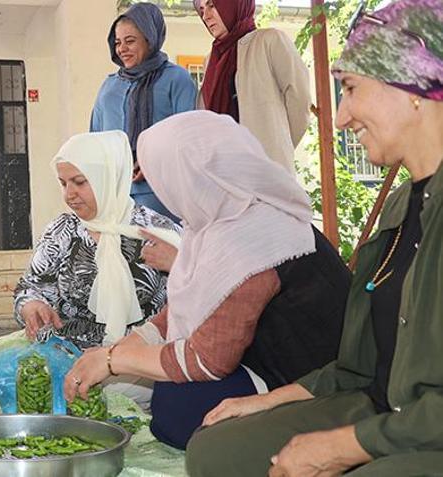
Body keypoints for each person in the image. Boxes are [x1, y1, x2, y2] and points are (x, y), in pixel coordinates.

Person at [185, 2, 443, 475]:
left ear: (413, 86)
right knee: (212, 451)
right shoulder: (400, 207)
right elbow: (357, 368)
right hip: (377, 404)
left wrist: (348, 447)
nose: (341, 117)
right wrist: (269, 401)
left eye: (351, 89)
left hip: (427, 430)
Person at [64, 111, 350, 450]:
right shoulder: (219, 221)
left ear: (186, 177)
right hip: (265, 364)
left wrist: (113, 361)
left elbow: (209, 359)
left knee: (179, 406)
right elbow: (189, 307)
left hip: (311, 385)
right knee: (162, 385)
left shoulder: (257, 238)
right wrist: (126, 346)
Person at [14, 130, 179, 408]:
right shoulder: (62, 231)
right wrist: (31, 306)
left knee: (118, 397)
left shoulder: (157, 233)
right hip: (66, 357)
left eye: (80, 182)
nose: (69, 194)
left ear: (109, 177)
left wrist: (117, 356)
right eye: (63, 183)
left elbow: (191, 302)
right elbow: (31, 287)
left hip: (135, 363)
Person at [90, 2, 197, 221]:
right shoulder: (109, 87)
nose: (122, 49)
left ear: (150, 39)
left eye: (130, 41)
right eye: (118, 42)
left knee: (160, 243)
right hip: (115, 194)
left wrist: (151, 161)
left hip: (161, 193)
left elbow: (189, 136)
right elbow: (95, 140)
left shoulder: (176, 79)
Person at [195, 0, 310, 174]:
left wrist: (275, 147)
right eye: (202, 10)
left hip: (266, 170)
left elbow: (300, 101)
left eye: (212, 5)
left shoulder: (269, 41)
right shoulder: (211, 60)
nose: (206, 16)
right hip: (224, 172)